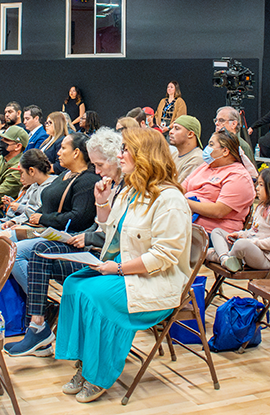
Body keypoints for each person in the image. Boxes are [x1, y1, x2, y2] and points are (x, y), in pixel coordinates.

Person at [54, 128, 191, 403]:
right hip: (125, 269)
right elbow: (110, 229)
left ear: (144, 156)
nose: (120, 155)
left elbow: (163, 257)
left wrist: (117, 269)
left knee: (96, 296)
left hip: (153, 279)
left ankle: (99, 374)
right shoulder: (132, 191)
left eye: (126, 149)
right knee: (73, 284)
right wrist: (102, 202)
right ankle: (84, 362)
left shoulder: (170, 200)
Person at [4, 128, 124, 358]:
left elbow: (86, 221)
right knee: (33, 250)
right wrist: (29, 222)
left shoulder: (92, 181)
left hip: (94, 254)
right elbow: (100, 225)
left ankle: (40, 314)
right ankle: (38, 324)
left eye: (63, 148)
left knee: (20, 250)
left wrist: (85, 235)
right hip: (62, 237)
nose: (57, 153)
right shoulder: (67, 176)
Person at [11, 133, 99, 294]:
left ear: (76, 153)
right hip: (48, 231)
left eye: (63, 148)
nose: (58, 152)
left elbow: (78, 218)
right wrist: (20, 223)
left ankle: (39, 303)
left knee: (14, 253)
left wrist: (44, 218)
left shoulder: (87, 180)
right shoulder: (63, 175)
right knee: (4, 239)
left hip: (67, 238)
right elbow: (46, 206)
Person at [208, 166, 270, 272]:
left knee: (241, 244)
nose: (257, 188)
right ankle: (225, 259)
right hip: (250, 246)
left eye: (261, 185)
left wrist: (252, 242)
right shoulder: (261, 206)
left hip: (265, 256)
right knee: (217, 232)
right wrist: (240, 235)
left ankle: (218, 255)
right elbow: (254, 231)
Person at [182, 129, 256, 234]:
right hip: (186, 225)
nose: (207, 148)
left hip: (214, 235)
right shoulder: (206, 166)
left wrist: (183, 202)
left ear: (225, 151)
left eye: (211, 145)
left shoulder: (239, 177)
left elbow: (219, 211)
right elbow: (182, 188)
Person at [0, 149, 56, 240]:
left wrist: (20, 224)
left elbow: (37, 215)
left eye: (22, 172)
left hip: (37, 230)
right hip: (23, 224)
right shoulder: (34, 186)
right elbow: (27, 213)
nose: (21, 177)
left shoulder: (52, 187)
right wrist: (13, 221)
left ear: (31, 171)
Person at [0, 126, 29, 217]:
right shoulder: (1, 160)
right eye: (2, 138)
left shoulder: (19, 170)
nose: (1, 142)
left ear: (18, 146)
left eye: (6, 140)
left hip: (4, 213)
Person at [168, 115, 204, 182]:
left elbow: (179, 190)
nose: (171, 132)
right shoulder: (175, 154)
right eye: (172, 128)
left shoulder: (196, 159)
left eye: (177, 128)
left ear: (190, 134)